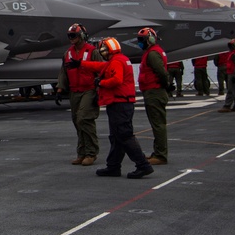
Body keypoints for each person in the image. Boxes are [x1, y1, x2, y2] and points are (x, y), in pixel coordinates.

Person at [71, 37, 153, 179]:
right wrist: (80, 64)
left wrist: (100, 82)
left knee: (124, 136)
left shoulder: (116, 61)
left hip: (119, 104)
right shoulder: (119, 59)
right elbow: (99, 66)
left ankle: (143, 165)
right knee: (116, 137)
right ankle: (113, 167)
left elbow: (116, 80)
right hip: (121, 103)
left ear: (107, 49)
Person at [55, 23, 101, 166]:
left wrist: (100, 90)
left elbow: (101, 69)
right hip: (74, 91)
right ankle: (81, 153)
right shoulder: (68, 53)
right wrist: (59, 89)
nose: (71, 38)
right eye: (70, 36)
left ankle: (91, 153)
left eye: (74, 35)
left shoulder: (92, 52)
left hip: (89, 90)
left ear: (81, 35)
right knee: (77, 121)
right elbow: (63, 72)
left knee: (84, 119)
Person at [136, 28, 169, 165]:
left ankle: (161, 155)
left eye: (141, 40)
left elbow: (161, 72)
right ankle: (157, 152)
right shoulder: (152, 52)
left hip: (154, 92)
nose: (139, 43)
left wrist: (163, 86)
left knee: (158, 125)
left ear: (149, 40)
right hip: (153, 91)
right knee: (156, 124)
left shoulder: (153, 54)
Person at [218, 39, 235, 113]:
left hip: (233, 73)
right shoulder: (234, 52)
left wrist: (234, 75)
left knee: (231, 90)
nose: (230, 47)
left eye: (231, 45)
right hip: (232, 72)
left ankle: (227, 106)